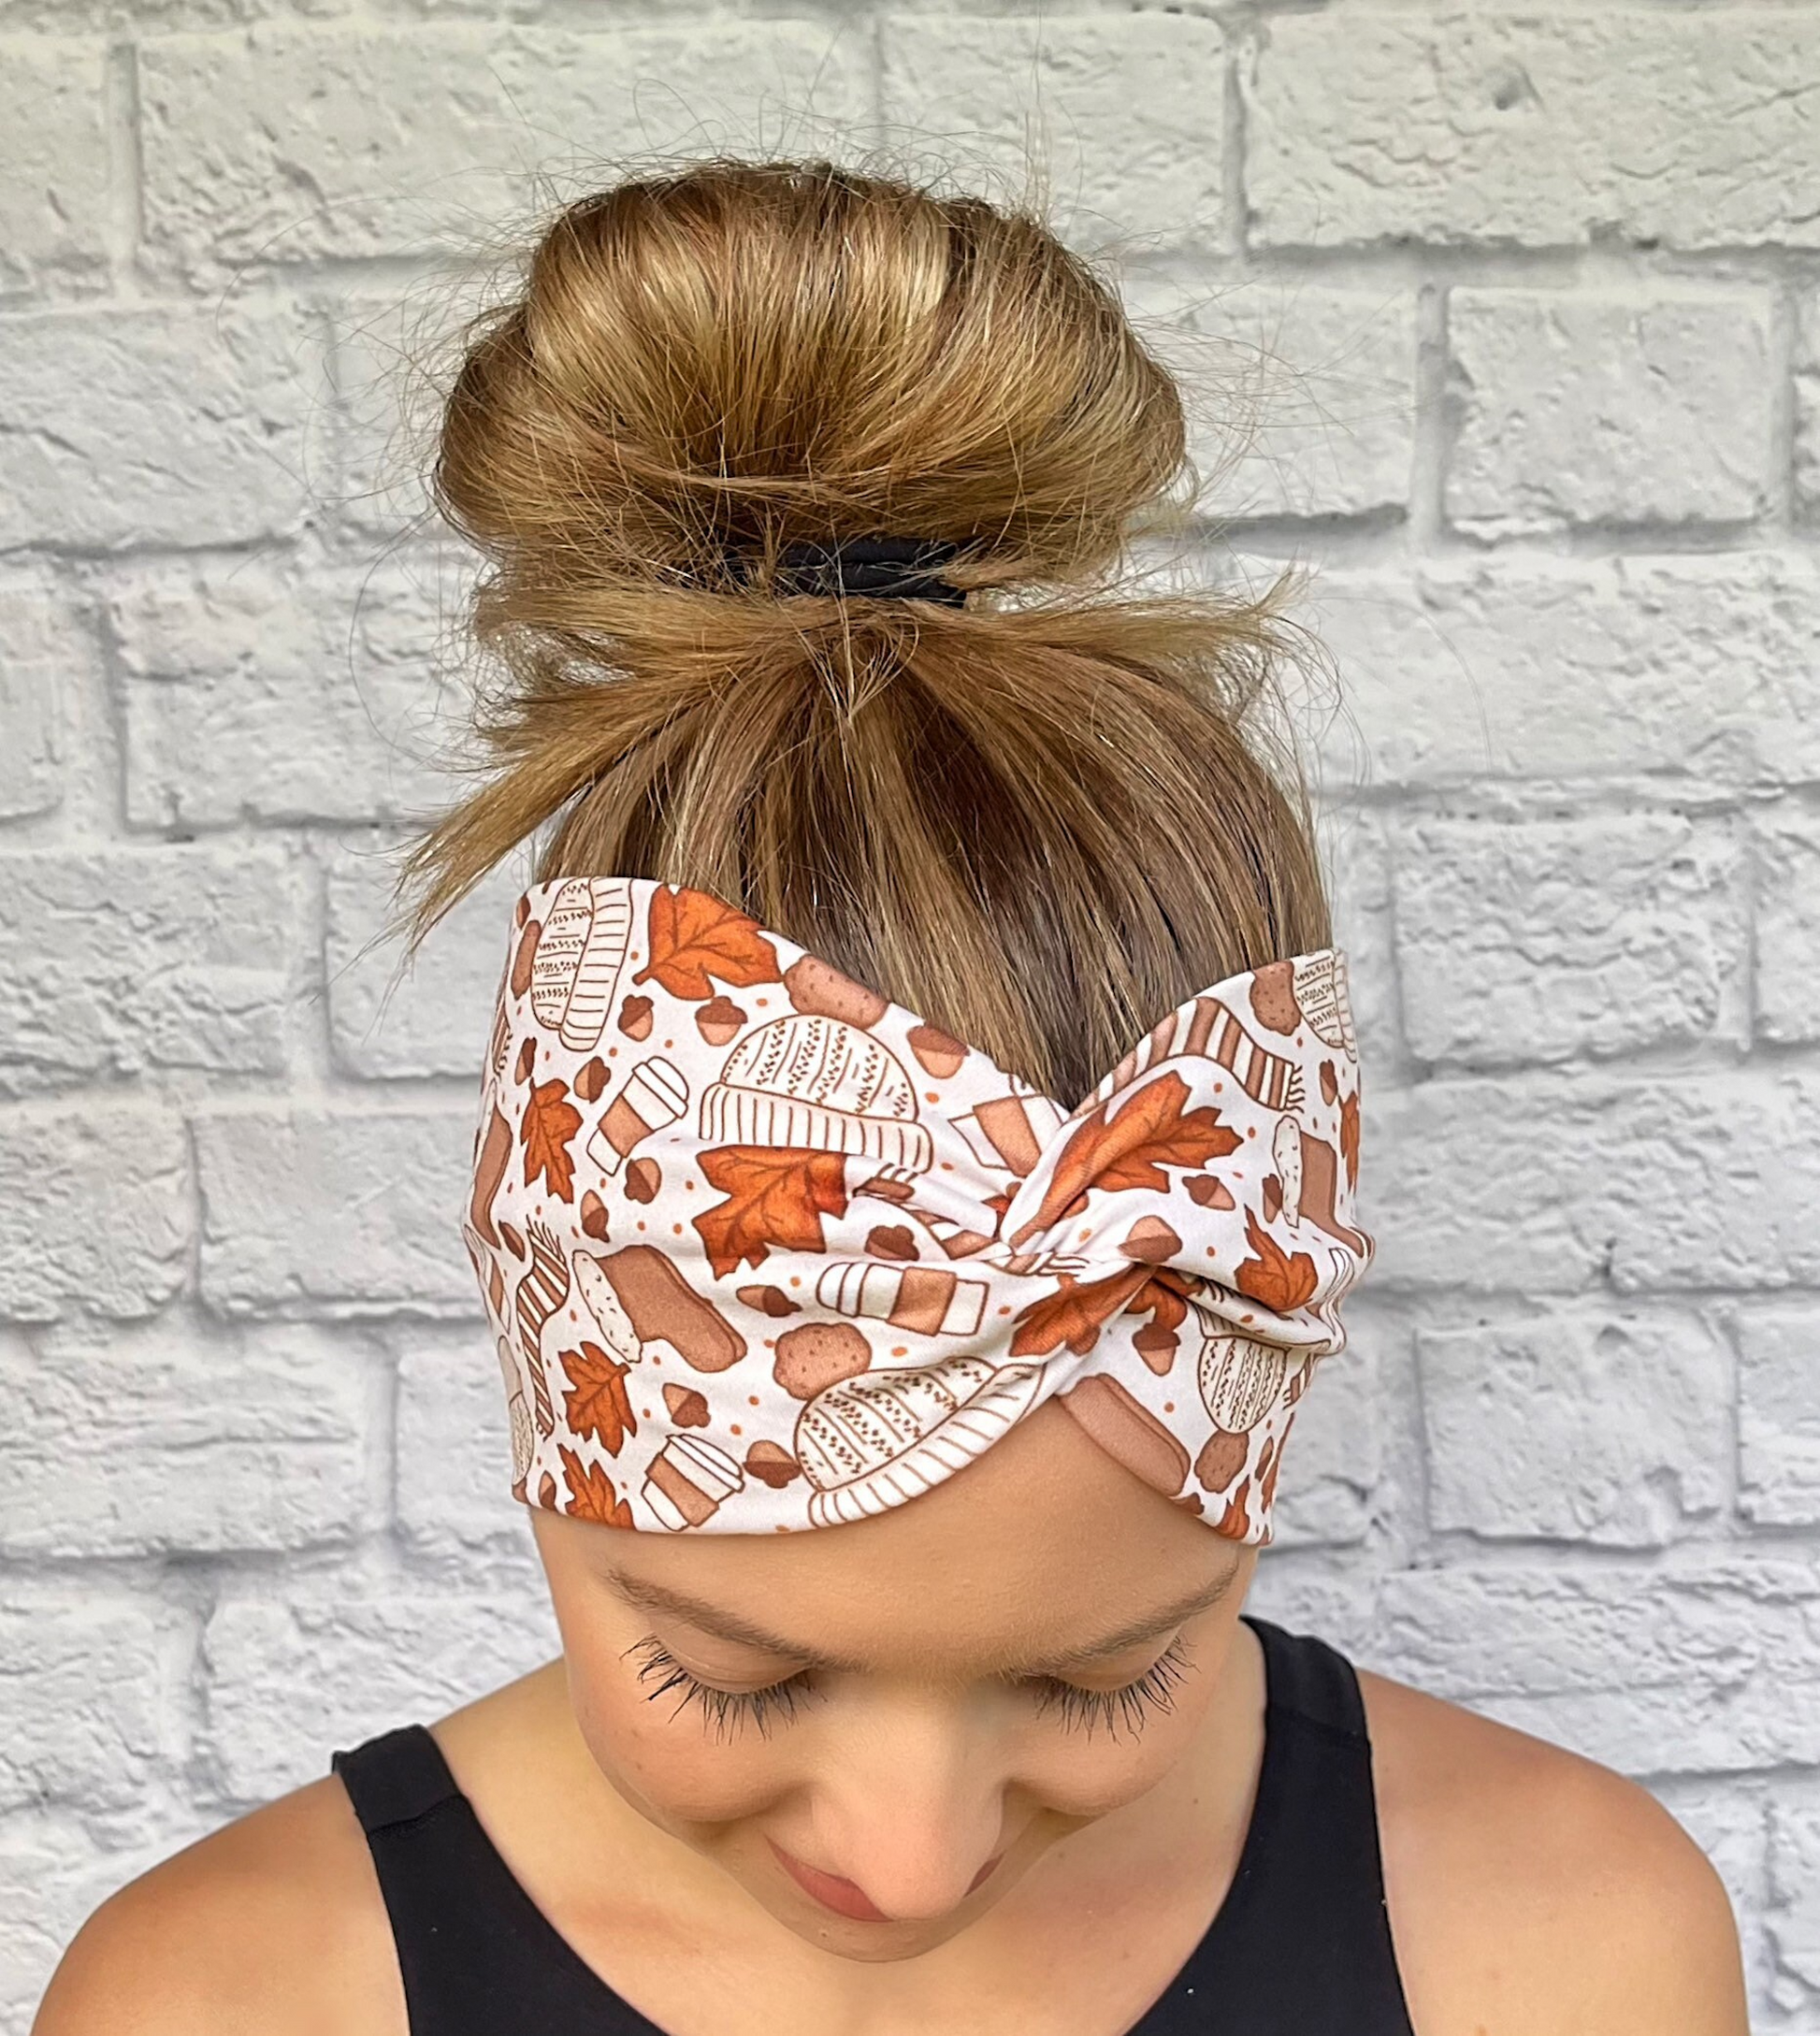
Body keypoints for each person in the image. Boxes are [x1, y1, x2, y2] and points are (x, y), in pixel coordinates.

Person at [34, 159, 1748, 2036]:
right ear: (544, 1389)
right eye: (729, 1676)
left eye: (1108, 1674)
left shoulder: (1567, 1952)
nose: (911, 1857)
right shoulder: (223, 2000)